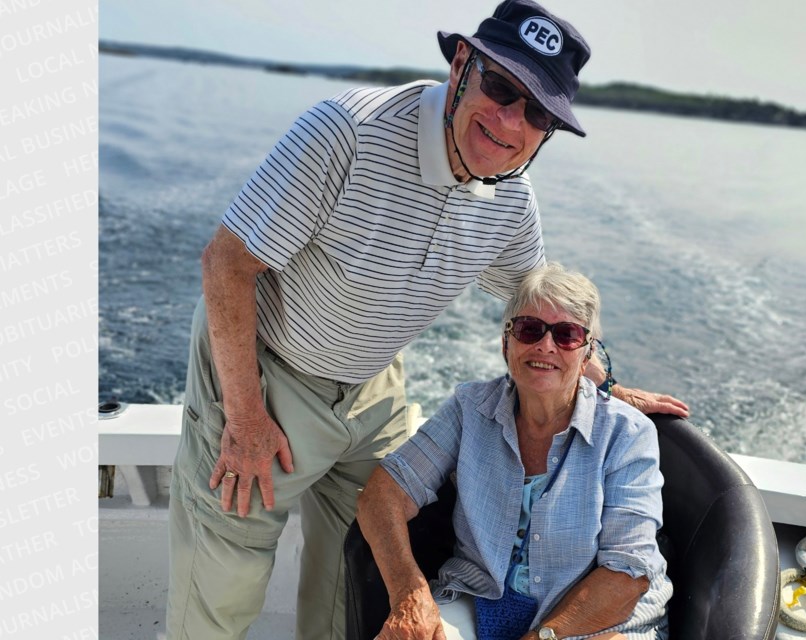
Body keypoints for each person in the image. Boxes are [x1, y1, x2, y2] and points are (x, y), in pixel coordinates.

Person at [166, 1, 687, 639]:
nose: (509, 121)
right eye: (500, 88)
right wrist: (244, 415)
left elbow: (539, 310)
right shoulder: (346, 133)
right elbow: (226, 263)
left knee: (349, 580)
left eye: (537, 112)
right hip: (268, 371)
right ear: (461, 64)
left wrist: (598, 382)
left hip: (374, 383)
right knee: (226, 575)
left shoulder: (512, 204)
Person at [357, 263, 672, 640]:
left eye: (567, 335)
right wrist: (409, 594)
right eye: (529, 329)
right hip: (482, 596)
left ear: (587, 353)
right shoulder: (470, 407)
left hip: (594, 621)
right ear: (506, 343)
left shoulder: (627, 433)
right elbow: (382, 495)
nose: (545, 345)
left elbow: (626, 575)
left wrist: (541, 637)